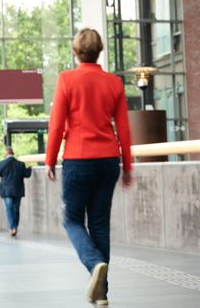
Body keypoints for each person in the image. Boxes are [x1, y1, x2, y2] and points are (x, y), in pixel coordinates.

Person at [45, 28, 133, 306]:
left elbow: (57, 124)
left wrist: (50, 159)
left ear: (75, 51)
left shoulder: (67, 79)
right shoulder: (114, 83)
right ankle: (102, 293)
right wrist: (128, 165)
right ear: (100, 50)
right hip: (108, 160)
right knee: (99, 225)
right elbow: (124, 129)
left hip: (78, 158)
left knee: (71, 220)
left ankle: (94, 263)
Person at [0, 146, 32, 237]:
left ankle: (12, 228)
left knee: (9, 209)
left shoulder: (2, 163)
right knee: (16, 209)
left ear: (5, 154)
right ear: (13, 153)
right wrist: (29, 169)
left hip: (6, 191)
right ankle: (15, 227)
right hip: (17, 190)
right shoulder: (20, 164)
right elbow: (27, 175)